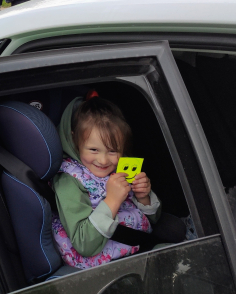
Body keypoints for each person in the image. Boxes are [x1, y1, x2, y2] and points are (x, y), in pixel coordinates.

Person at [51, 94, 162, 270]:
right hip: (101, 266)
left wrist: (143, 198)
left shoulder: (121, 169)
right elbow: (84, 244)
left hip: (137, 249)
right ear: (74, 140)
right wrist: (112, 200)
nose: (103, 161)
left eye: (112, 151)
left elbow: (151, 220)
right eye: (93, 149)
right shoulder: (68, 181)